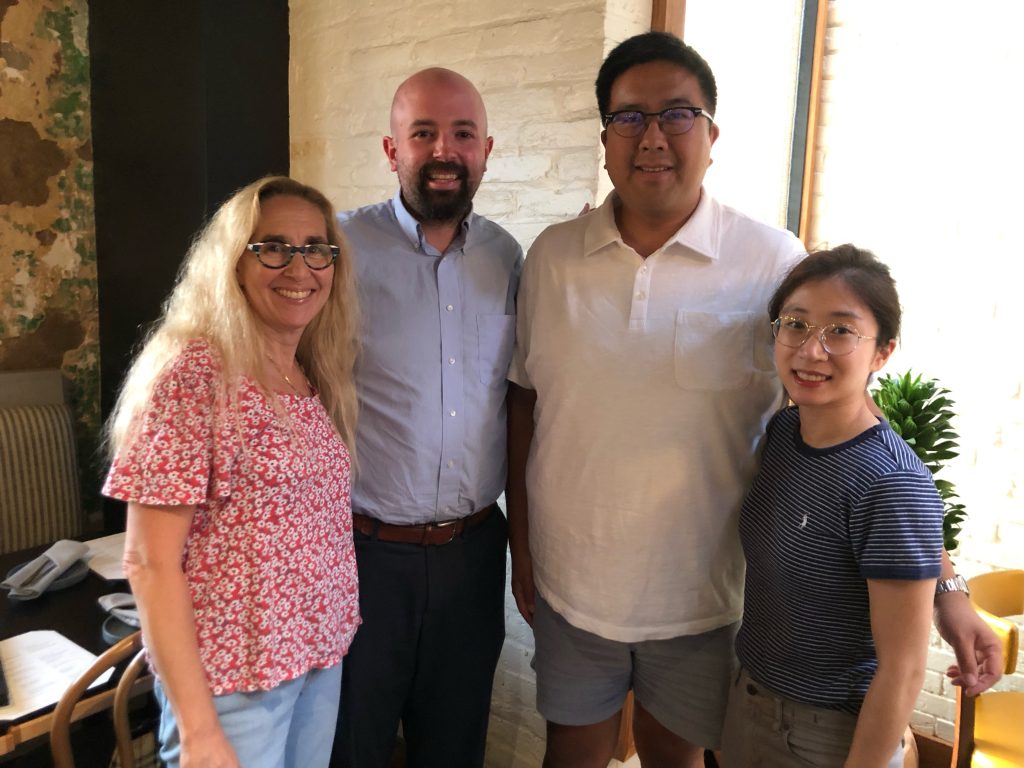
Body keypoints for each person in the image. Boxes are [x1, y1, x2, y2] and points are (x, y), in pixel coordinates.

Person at [506, 32, 1003, 768]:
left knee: (673, 759)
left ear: (711, 135)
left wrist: (948, 584)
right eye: (629, 117)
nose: (652, 138)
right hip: (573, 587)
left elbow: (856, 431)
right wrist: (523, 548)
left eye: (677, 114)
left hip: (704, 600)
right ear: (604, 137)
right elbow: (526, 405)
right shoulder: (551, 256)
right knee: (569, 758)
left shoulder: (772, 260)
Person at [103, 176, 361, 768]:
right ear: (233, 264)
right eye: (272, 246)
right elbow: (149, 561)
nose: (299, 268)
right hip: (231, 685)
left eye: (316, 248)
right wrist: (197, 732)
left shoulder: (308, 372)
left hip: (314, 659)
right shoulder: (195, 373)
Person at [330, 68, 523, 768]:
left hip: (473, 555)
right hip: (362, 556)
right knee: (354, 746)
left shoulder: (507, 258)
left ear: (486, 149)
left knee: (454, 747)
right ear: (391, 150)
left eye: (462, 134)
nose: (444, 149)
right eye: (423, 133)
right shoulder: (338, 252)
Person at [720, 245, 940, 767]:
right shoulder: (783, 431)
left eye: (841, 331)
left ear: (882, 352)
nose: (810, 351)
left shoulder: (890, 484)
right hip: (749, 697)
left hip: (828, 732)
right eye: (795, 324)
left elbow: (904, 669)